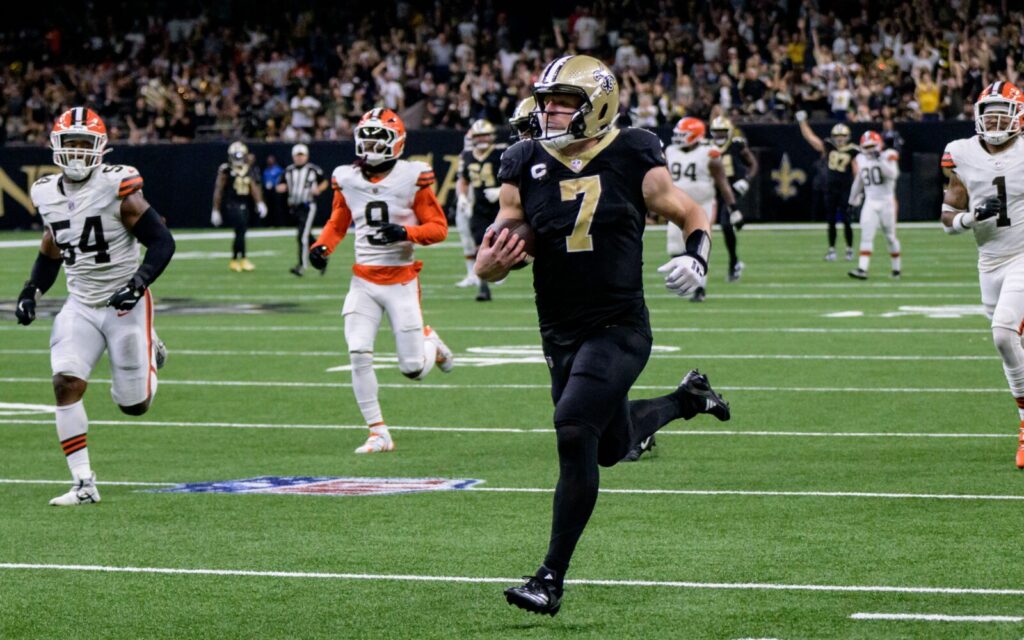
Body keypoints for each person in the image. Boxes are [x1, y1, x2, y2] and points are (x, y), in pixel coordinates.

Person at [474, 55, 731, 616]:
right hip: (559, 328)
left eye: (564, 101)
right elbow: (512, 235)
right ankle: (689, 398)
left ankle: (550, 577)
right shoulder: (522, 159)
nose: (550, 111)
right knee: (610, 446)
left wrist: (697, 256)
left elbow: (690, 210)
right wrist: (493, 264)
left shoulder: (633, 150)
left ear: (599, 104)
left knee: (572, 430)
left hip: (619, 325)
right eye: (546, 101)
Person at [14, 107, 175, 506]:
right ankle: (84, 483)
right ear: (57, 146)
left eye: (86, 145)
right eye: (72, 144)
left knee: (133, 405)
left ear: (100, 149)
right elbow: (52, 247)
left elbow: (162, 241)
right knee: (65, 382)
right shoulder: (47, 192)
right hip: (81, 302)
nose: (78, 153)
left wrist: (138, 284)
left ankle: (150, 346)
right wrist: (31, 289)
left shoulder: (118, 185)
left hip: (125, 302)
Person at [308, 108, 454, 454]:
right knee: (358, 351)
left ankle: (430, 344)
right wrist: (322, 246)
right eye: (366, 137)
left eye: (379, 138)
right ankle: (378, 432)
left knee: (413, 369)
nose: (370, 144)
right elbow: (339, 221)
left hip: (401, 280)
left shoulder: (412, 175)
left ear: (396, 141)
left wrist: (406, 232)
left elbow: (439, 228)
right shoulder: (347, 177)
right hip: (363, 281)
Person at [940, 81, 1024, 469]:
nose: (993, 119)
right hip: (989, 262)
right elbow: (946, 216)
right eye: (988, 111)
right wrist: (969, 218)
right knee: (1011, 344)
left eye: (1001, 112)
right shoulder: (962, 152)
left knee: (1004, 336)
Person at [664, 117, 740, 303]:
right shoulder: (670, 151)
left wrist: (734, 208)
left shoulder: (710, 153)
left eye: (683, 135)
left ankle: (700, 289)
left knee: (697, 248)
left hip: (701, 206)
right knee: (674, 247)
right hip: (676, 206)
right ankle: (686, 279)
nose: (678, 138)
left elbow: (723, 183)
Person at [796, 111, 857, 261]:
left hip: (845, 189)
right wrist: (802, 122)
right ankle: (832, 250)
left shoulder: (853, 150)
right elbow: (811, 139)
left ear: (848, 136)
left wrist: (858, 192)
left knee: (847, 221)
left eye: (843, 136)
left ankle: (849, 249)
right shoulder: (829, 146)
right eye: (838, 136)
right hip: (830, 189)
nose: (840, 139)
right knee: (831, 221)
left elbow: (857, 172)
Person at [457, 119, 506, 301]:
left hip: (501, 205)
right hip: (479, 206)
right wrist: (462, 197)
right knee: (480, 245)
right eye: (479, 136)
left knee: (502, 242)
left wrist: (501, 190)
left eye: (485, 135)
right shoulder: (468, 155)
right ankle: (484, 288)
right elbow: (464, 180)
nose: (483, 139)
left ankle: (501, 270)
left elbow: (516, 176)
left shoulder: (501, 152)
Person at [847, 130, 902, 280]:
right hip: (870, 201)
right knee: (866, 235)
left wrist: (880, 161)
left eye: (872, 145)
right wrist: (851, 202)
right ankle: (862, 269)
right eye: (867, 146)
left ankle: (896, 269)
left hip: (887, 202)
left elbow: (893, 174)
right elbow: (859, 181)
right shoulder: (861, 158)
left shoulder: (888, 154)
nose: (870, 149)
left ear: (879, 144)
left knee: (890, 237)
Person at [709, 115, 757, 281]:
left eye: (723, 132)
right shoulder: (706, 147)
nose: (720, 136)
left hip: (733, 190)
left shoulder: (736, 144)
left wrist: (746, 179)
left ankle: (733, 263)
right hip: (714, 191)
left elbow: (753, 163)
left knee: (725, 224)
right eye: (717, 132)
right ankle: (734, 262)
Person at [211, 141, 268, 272]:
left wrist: (259, 202)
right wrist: (216, 210)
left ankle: (235, 260)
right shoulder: (226, 169)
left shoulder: (248, 169)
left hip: (244, 204)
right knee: (241, 230)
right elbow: (219, 189)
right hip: (232, 204)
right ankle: (242, 259)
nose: (238, 158)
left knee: (240, 232)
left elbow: (253, 187)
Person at [277, 143, 327, 276]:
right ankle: (322, 255)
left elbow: (324, 182)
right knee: (308, 236)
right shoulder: (288, 170)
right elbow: (281, 183)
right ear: (293, 157)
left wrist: (319, 189)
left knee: (302, 236)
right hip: (295, 207)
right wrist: (281, 187)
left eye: (302, 155)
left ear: (306, 156)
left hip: (308, 205)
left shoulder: (313, 169)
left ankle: (302, 266)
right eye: (297, 156)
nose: (299, 158)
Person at [453, 130, 479, 288]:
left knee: (485, 238)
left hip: (484, 201)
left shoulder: (493, 155)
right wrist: (461, 197)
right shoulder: (465, 156)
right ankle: (471, 274)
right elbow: (461, 180)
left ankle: (493, 272)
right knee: (465, 236)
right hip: (467, 200)